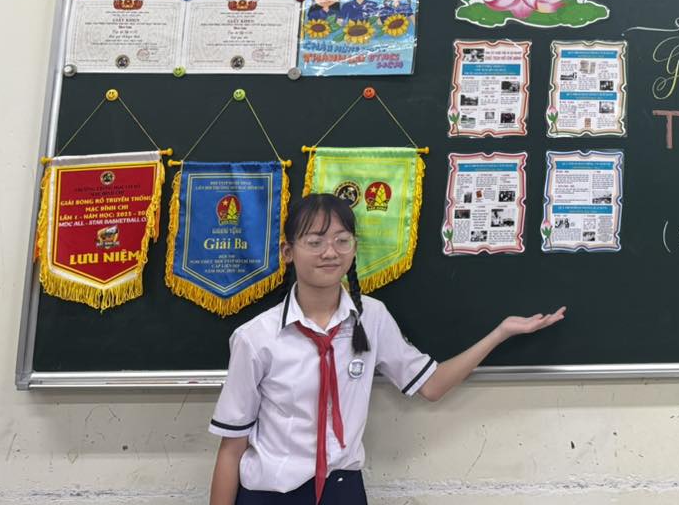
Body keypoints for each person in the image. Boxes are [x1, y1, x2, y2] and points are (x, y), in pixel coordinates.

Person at [208, 193, 564, 504]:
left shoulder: (372, 317)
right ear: (288, 252)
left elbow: (431, 385)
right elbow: (231, 448)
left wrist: (500, 333)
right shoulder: (256, 337)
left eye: (342, 240)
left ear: (354, 248)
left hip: (342, 491)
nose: (330, 252)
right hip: (271, 494)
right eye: (315, 242)